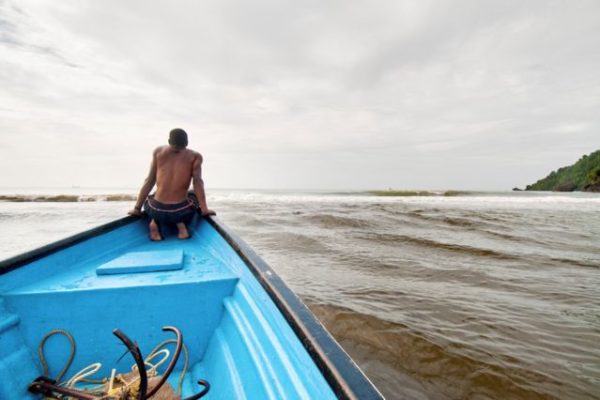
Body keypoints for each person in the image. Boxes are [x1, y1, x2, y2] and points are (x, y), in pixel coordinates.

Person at [128, 128, 215, 241]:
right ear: (187, 143)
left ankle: (154, 222)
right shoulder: (195, 156)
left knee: (154, 196)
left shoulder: (158, 152)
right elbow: (198, 182)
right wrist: (204, 210)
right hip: (181, 212)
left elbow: (149, 181)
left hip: (156, 210)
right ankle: (181, 227)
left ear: (169, 141)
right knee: (192, 194)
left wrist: (137, 209)